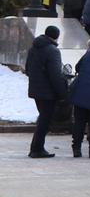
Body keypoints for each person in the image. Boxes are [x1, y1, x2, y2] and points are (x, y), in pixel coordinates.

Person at [22, 26, 67, 158]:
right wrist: (63, 93)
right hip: (48, 92)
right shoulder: (53, 51)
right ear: (56, 37)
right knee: (45, 120)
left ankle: (36, 147)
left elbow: (28, 69)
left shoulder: (33, 48)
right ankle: (37, 149)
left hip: (36, 90)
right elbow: (55, 75)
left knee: (43, 118)